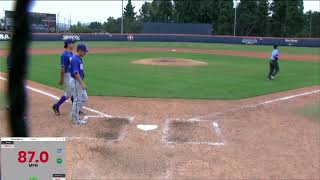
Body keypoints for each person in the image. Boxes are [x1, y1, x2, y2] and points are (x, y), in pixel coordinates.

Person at [52, 39, 76, 115]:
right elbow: (62, 68)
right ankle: (56, 106)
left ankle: (75, 109)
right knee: (69, 93)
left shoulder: (72, 54)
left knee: (74, 91)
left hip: (71, 75)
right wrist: (62, 79)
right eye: (72, 43)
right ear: (68, 44)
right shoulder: (64, 55)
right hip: (67, 76)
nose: (73, 45)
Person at [70, 44, 88, 124]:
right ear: (80, 50)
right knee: (77, 100)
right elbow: (76, 73)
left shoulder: (79, 58)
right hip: (76, 81)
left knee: (84, 98)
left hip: (78, 81)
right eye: (84, 51)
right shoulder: (75, 59)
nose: (85, 53)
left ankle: (73, 113)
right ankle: (75, 119)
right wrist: (82, 83)